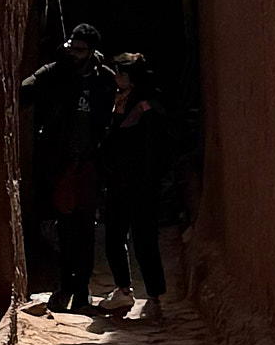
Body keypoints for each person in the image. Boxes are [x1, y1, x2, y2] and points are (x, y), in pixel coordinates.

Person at [19, 23, 109, 313]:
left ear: (91, 51)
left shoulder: (103, 79)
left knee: (84, 229)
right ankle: (65, 286)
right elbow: (27, 89)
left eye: (80, 49)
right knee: (63, 228)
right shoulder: (56, 71)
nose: (73, 53)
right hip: (59, 164)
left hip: (89, 164)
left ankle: (81, 290)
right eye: (72, 47)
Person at [95, 53, 172, 323]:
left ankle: (155, 298)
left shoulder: (148, 108)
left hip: (141, 185)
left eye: (121, 73)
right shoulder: (117, 102)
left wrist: (151, 180)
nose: (116, 78)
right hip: (118, 183)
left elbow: (154, 149)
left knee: (144, 241)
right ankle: (123, 289)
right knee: (114, 236)